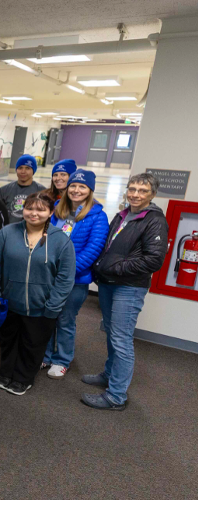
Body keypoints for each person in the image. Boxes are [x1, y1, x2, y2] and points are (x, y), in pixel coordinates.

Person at [84, 172, 169, 411]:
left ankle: (116, 396)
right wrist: (103, 268)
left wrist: (116, 267)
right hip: (110, 283)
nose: (135, 194)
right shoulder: (123, 215)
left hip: (129, 288)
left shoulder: (154, 220)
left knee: (121, 340)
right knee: (112, 333)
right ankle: (109, 375)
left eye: (142, 191)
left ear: (153, 194)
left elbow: (154, 260)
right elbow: (110, 246)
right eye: (132, 189)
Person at [0, 192, 75, 396]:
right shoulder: (7, 233)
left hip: (42, 306)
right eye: (29, 208)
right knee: (8, 341)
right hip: (9, 302)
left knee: (32, 344)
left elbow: (65, 278)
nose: (34, 213)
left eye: (40, 209)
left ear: (51, 212)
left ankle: (23, 378)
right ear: (23, 209)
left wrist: (53, 305)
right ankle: (6, 373)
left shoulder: (61, 241)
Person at [43, 169, 108, 379]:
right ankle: (44, 355)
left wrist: (66, 271)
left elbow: (94, 248)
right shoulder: (56, 210)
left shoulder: (97, 215)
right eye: (73, 185)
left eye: (82, 187)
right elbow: (46, 237)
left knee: (65, 319)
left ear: (89, 190)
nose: (76, 190)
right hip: (50, 274)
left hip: (75, 279)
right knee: (47, 315)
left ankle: (62, 360)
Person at [0, 154, 46, 225]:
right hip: (8, 230)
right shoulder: (4, 190)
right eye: (20, 168)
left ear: (33, 171)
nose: (23, 171)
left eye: (27, 168)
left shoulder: (42, 191)